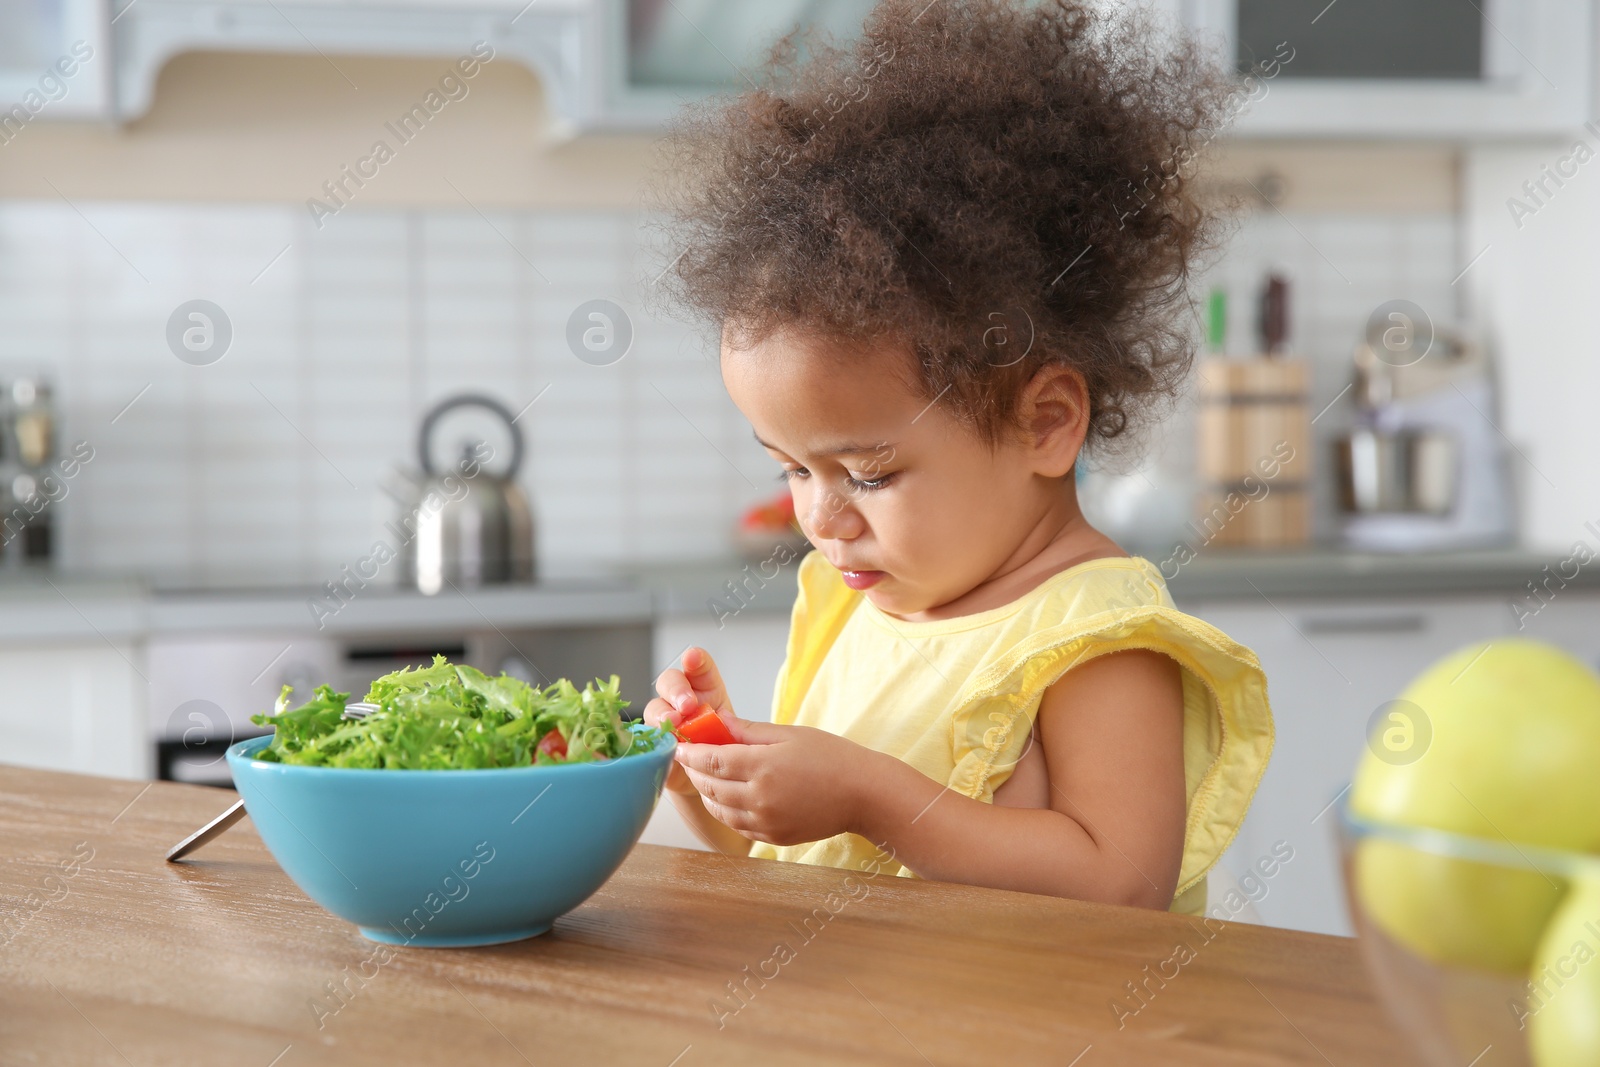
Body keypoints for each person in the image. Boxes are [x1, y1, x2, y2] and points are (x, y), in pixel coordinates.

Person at [642, 0, 1272, 915]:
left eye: (870, 474)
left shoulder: (1095, 633)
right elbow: (808, 856)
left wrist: (868, 791)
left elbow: (1123, 881)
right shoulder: (856, 609)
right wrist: (721, 782)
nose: (820, 519)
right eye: (791, 468)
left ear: (1045, 423)